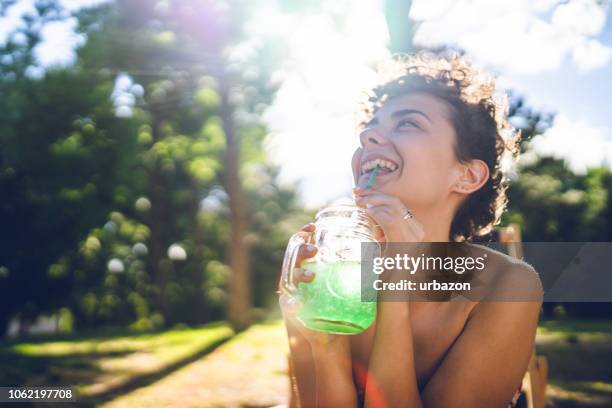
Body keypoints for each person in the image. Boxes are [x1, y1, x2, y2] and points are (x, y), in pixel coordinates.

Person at [278, 51, 543, 408]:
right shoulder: (330, 282)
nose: (369, 137)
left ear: (466, 176)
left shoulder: (508, 286)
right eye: (371, 128)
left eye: (407, 124)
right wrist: (321, 344)